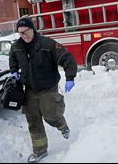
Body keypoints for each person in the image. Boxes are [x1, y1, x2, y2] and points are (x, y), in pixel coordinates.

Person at [9, 17, 77, 163]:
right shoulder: (16, 46)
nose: (24, 36)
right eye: (20, 33)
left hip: (48, 87)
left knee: (51, 115)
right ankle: (40, 151)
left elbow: (67, 57)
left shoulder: (47, 44)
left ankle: (62, 125)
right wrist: (13, 70)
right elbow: (13, 58)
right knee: (33, 122)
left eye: (26, 32)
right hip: (30, 89)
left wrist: (70, 77)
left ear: (32, 28)